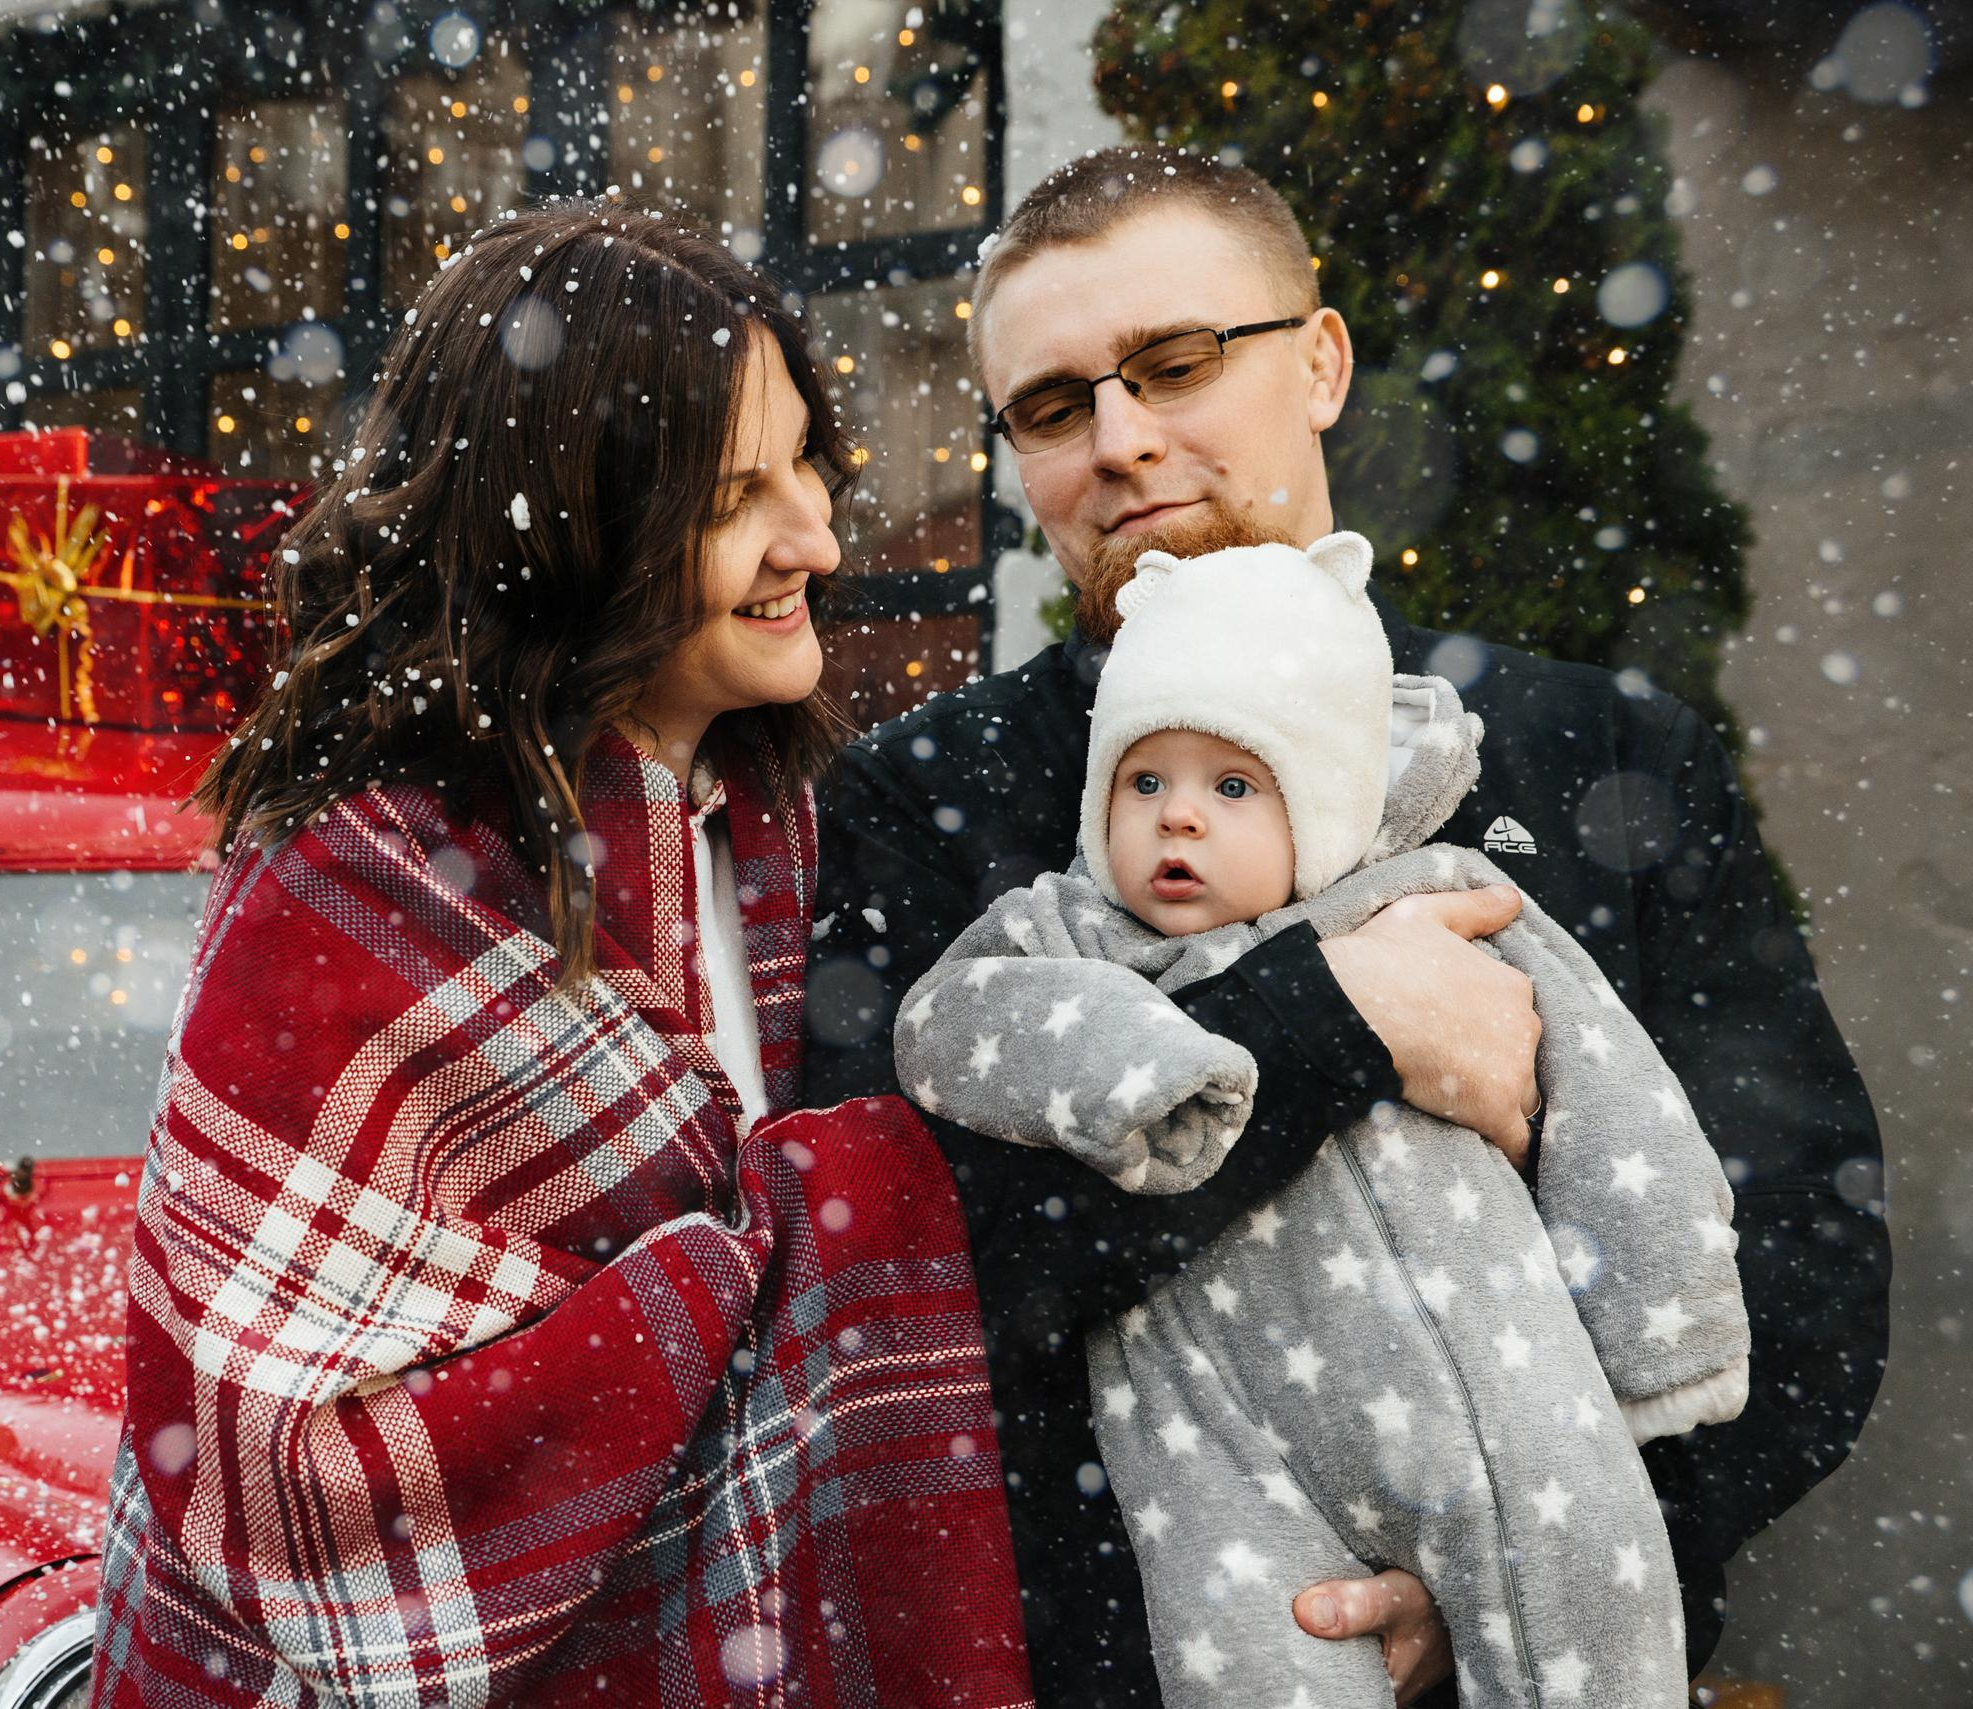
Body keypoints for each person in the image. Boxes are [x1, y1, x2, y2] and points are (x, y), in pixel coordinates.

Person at [801, 145, 1891, 1704]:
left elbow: (1797, 1241)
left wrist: (1543, 1559)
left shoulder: (1595, 751)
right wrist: (1334, 1021)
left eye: (1175, 363)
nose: (1119, 441)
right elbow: (890, 1275)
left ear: (1318, 362)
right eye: (1051, 407)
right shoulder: (931, 802)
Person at [89, 203, 1033, 1708]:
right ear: (576, 530)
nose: (819, 536)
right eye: (740, 496)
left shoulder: (792, 840)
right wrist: (820, 1232)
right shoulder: (357, 895)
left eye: (810, 463)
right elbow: (285, 1486)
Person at [897, 532, 1750, 1707]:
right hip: (1204, 1427)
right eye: (1145, 782)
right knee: (1248, 1659)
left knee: (1591, 1600)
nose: (1178, 820)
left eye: (1232, 785)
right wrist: (1141, 1058)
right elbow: (950, 1024)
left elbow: (1618, 1105)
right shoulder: (1072, 939)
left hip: (1496, 1378)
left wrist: (1658, 1336)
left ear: (1328, 801)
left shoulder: (1436, 897)